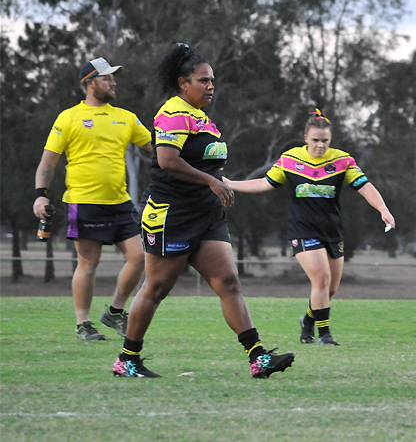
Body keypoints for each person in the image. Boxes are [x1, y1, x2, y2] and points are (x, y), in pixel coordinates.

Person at [112, 43, 294, 378]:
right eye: (203, 80)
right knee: (156, 289)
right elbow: (167, 161)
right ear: (183, 83)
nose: (211, 86)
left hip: (206, 214)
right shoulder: (173, 113)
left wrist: (216, 183)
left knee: (229, 282)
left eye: (212, 80)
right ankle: (127, 360)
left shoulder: (202, 117)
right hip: (172, 215)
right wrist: (211, 181)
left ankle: (258, 358)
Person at [225, 109, 395, 346]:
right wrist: (231, 184)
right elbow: (265, 183)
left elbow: (365, 186)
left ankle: (307, 320)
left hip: (332, 231)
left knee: (330, 289)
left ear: (331, 139)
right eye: (315, 140)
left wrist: (383, 209)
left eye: (325, 140)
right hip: (303, 230)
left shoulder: (342, 161)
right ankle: (324, 334)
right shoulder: (290, 159)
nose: (320, 145)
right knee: (322, 280)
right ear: (306, 138)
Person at [33, 57, 153, 341]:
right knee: (88, 264)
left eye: (113, 77)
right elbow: (48, 162)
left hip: (120, 202)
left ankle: (114, 312)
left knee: (140, 257)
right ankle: (83, 324)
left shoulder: (126, 117)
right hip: (84, 201)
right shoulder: (68, 117)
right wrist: (40, 196)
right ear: (90, 83)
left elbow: (157, 149)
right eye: (106, 78)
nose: (113, 82)